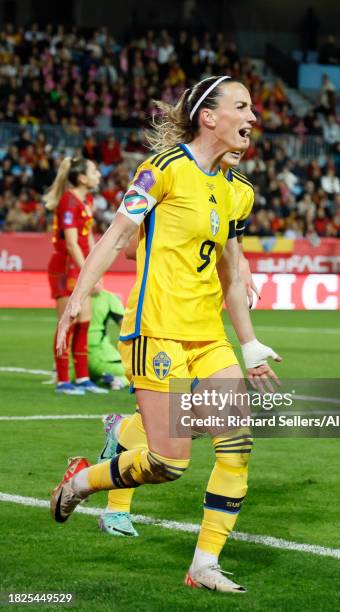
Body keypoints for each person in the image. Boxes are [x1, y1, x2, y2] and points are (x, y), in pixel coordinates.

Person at [50, 76, 281, 593]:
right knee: (168, 463)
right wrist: (78, 298)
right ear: (209, 117)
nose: (252, 118)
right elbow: (117, 235)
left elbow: (231, 269)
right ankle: (83, 479)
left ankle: (203, 565)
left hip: (209, 336)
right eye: (241, 107)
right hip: (156, 329)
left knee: (237, 444)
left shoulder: (239, 191)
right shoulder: (163, 170)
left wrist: (249, 345)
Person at [97, 150, 259, 537]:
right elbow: (134, 248)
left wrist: (242, 269)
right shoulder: (172, 172)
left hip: (204, 327)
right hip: (160, 321)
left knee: (201, 424)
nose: (245, 132)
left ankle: (121, 432)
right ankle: (115, 507)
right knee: (172, 445)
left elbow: (229, 246)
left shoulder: (240, 191)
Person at [45, 156, 108, 395]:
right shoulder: (68, 203)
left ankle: (82, 378)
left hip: (81, 267)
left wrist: (97, 269)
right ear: (82, 178)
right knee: (67, 324)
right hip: (65, 268)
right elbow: (71, 244)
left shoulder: (87, 199)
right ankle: (63, 380)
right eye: (94, 171)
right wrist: (88, 273)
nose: (99, 175)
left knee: (84, 323)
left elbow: (88, 237)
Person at [88, 283, 128, 389]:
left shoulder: (73, 297)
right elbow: (127, 330)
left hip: (77, 364)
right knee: (142, 371)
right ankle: (121, 380)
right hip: (101, 359)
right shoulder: (109, 298)